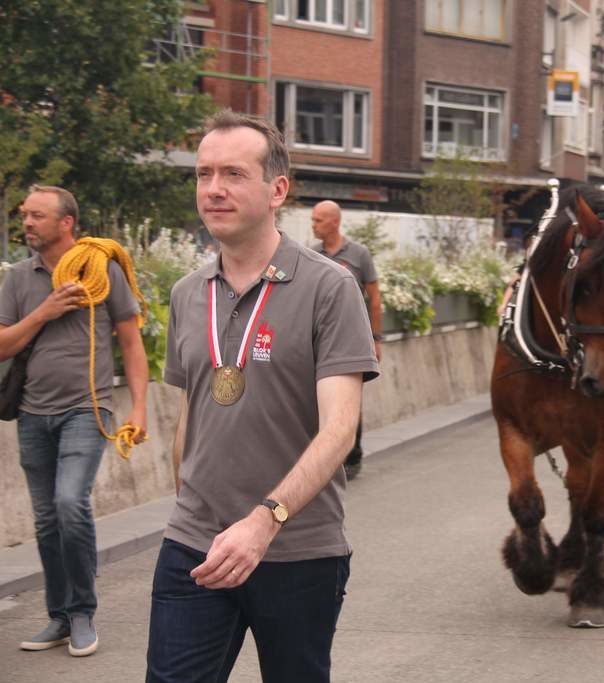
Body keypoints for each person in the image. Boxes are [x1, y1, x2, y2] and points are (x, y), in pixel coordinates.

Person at [146, 111, 378, 681]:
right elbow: (192, 413)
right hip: (195, 547)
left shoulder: (330, 287)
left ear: (277, 189)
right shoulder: (186, 292)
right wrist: (191, 508)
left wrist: (264, 519)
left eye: (232, 173)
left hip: (298, 551)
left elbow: (339, 430)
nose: (213, 189)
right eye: (203, 175)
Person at [0, 186, 148, 657]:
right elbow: (3, 345)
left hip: (88, 407)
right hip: (32, 413)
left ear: (66, 222)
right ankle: (60, 618)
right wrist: (43, 312)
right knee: (46, 521)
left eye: (37, 215)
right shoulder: (19, 278)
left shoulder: (101, 268)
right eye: (25, 215)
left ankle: (83, 611)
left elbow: (131, 341)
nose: (27, 223)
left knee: (69, 502)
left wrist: (139, 408)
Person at [311, 200, 382, 479]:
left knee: (349, 397)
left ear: (334, 222)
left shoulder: (359, 254)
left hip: (352, 338)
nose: (314, 225)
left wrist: (376, 338)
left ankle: (353, 454)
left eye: (318, 220)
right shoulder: (312, 255)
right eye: (313, 220)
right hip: (319, 338)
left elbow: (375, 298)